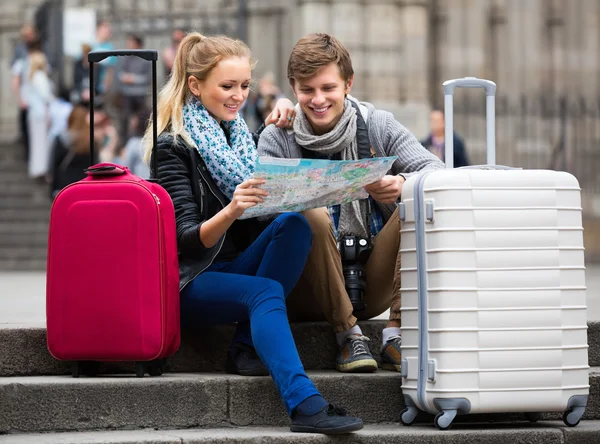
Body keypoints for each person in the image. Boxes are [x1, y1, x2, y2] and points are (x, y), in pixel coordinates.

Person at [142, 32, 363, 434]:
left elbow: (266, 208)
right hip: (192, 281)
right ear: (196, 85)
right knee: (264, 291)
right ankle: (304, 404)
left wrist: (285, 119)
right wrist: (233, 209)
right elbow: (187, 240)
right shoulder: (172, 146)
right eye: (227, 86)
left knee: (295, 223)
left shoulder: (239, 137)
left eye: (244, 86)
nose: (237, 95)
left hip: (236, 265)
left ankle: (246, 345)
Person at [257, 33, 445, 374]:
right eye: (307, 90)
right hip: (302, 289)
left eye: (328, 88)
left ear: (348, 83)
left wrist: (401, 183)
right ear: (293, 88)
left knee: (418, 198)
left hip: (368, 284)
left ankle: (397, 333)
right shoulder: (277, 135)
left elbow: (439, 173)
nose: (317, 100)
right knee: (309, 215)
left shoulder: (377, 125)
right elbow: (258, 216)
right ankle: (348, 336)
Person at [115, 34, 151, 145]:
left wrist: (133, 79)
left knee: (141, 119)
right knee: (124, 119)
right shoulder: (125, 58)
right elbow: (119, 74)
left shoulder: (146, 59)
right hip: (126, 94)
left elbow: (148, 78)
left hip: (140, 94)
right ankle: (124, 144)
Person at [24, 50, 54, 180]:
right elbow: (46, 96)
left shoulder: (32, 76)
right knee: (41, 143)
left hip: (33, 114)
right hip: (41, 114)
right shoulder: (40, 76)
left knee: (36, 142)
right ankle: (41, 168)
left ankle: (37, 168)